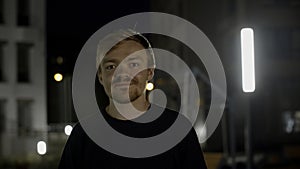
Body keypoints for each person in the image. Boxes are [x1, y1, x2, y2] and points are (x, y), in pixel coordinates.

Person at [58, 29, 207, 169]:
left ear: (149, 72)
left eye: (133, 64)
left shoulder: (178, 130)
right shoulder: (83, 135)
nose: (122, 73)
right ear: (101, 76)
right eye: (111, 66)